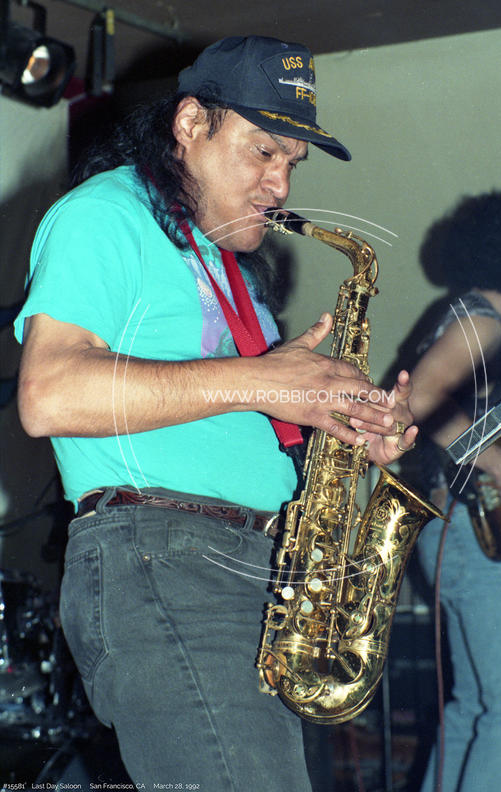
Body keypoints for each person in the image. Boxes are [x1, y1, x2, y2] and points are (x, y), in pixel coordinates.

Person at [14, 36, 417, 791]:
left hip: (258, 577)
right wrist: (261, 380)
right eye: (263, 151)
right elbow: (48, 395)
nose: (280, 182)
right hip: (167, 560)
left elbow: (235, 403)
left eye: (293, 162)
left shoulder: (226, 263)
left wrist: (339, 426)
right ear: (192, 123)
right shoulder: (105, 214)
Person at [407, 189, 501, 792]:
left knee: (474, 710)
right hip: (471, 530)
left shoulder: (479, 321)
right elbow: (418, 399)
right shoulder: (484, 323)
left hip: (454, 529)